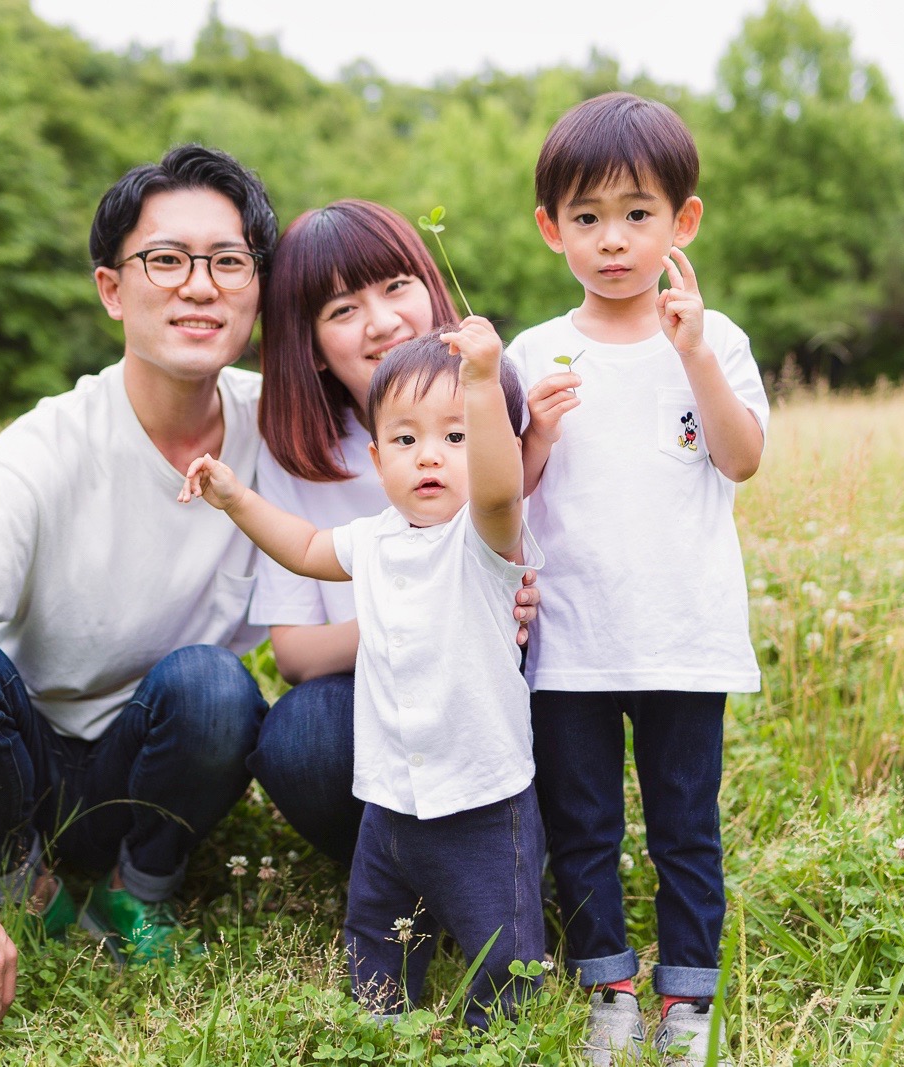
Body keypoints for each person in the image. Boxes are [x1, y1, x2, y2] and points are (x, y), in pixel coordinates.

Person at [0, 144, 279, 1032]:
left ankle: (134, 895)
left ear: (257, 287)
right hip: (22, 763)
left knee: (214, 684)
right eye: (166, 258)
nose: (200, 285)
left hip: (154, 758)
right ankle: (10, 893)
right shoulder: (45, 446)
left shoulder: (278, 429)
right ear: (113, 289)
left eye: (228, 261)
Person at [179, 322, 547, 1028]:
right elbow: (306, 545)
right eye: (406, 440)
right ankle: (384, 1018)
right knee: (376, 927)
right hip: (389, 797)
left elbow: (500, 490)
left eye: (456, 437)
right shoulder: (374, 538)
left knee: (504, 948)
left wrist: (481, 383)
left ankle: (495, 1032)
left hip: (481, 795)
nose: (429, 456)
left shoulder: (485, 538)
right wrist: (235, 499)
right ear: (378, 459)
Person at [512, 92, 769, 1066]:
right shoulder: (538, 353)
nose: (611, 239)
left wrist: (693, 348)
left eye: (636, 213)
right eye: (585, 217)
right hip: (571, 639)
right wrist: (532, 427)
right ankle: (608, 985)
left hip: (681, 636)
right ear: (551, 230)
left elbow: (740, 458)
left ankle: (686, 1000)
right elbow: (512, 491)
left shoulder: (714, 339)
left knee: (682, 826)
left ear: (681, 221)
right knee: (582, 824)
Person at [246, 200, 538, 863]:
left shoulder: (488, 401)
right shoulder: (299, 455)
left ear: (429, 289)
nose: (380, 322)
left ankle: (524, 854)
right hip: (379, 706)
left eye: (394, 286)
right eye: (342, 310)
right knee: (301, 730)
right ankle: (396, 874)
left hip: (491, 695)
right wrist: (419, 611)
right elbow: (294, 656)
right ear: (312, 348)